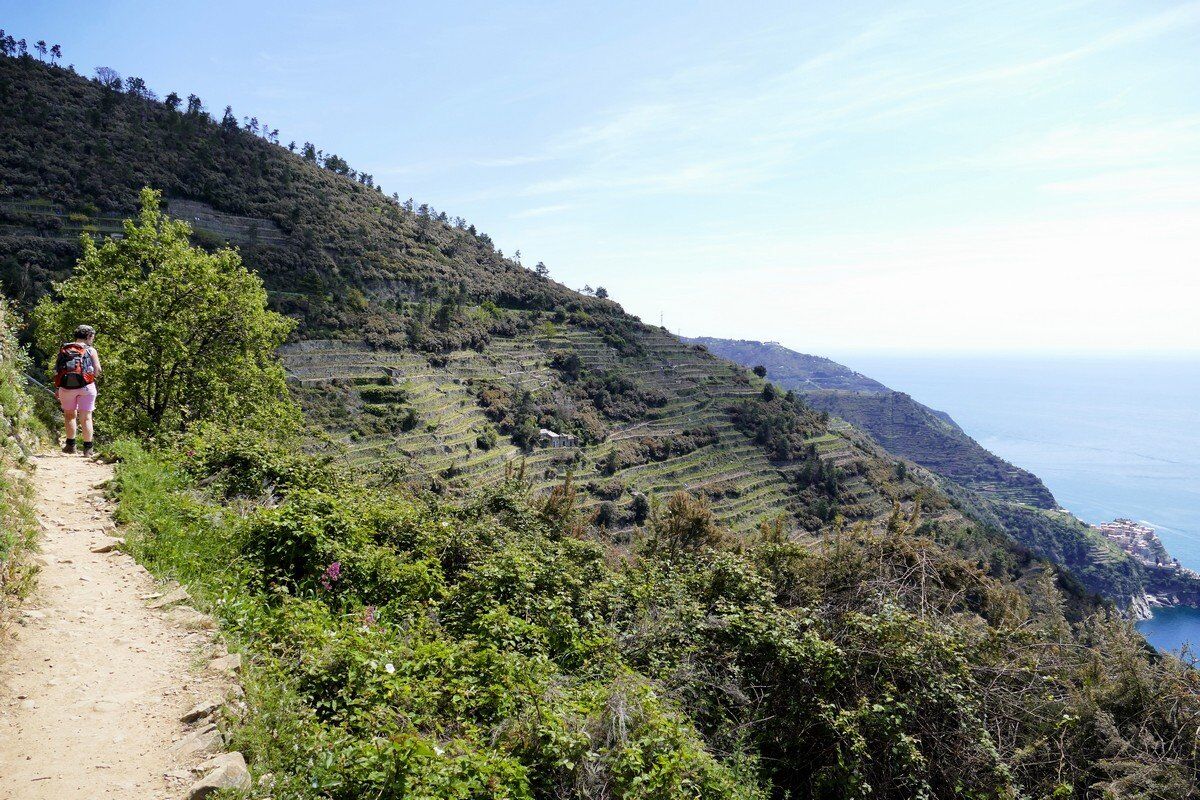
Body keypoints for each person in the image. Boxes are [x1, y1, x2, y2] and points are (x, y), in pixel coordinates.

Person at [54, 324, 102, 455]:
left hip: (66, 387)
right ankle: (88, 449)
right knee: (86, 417)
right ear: (88, 336)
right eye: (92, 337)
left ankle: (70, 446)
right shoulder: (91, 350)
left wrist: (58, 387)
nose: (92, 339)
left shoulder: (64, 348)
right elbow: (98, 371)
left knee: (70, 416)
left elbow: (58, 369)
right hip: (86, 386)